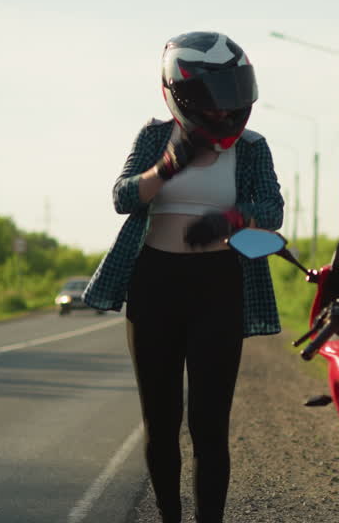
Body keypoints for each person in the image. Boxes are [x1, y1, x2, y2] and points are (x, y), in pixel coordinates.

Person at [83, 31, 285, 523]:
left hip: (219, 285)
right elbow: (122, 197)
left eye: (232, 98)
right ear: (181, 93)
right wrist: (166, 168)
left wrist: (233, 220)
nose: (222, 112)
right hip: (155, 284)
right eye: (212, 101)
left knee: (210, 426)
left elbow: (272, 209)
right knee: (161, 423)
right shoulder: (154, 136)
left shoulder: (253, 147)